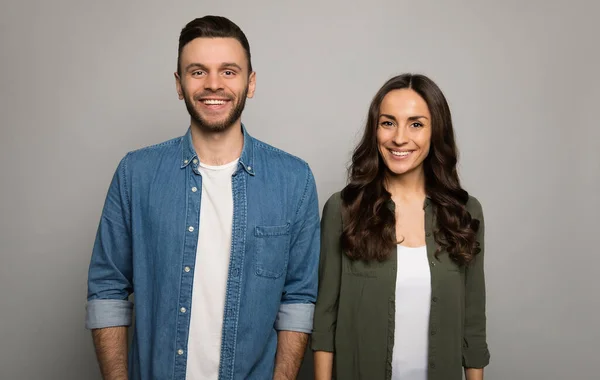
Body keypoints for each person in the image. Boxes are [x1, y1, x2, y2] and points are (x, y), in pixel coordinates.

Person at [86, 15, 320, 380]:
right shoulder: (136, 173)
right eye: (198, 72)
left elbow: (298, 301)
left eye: (229, 71)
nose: (214, 85)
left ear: (251, 82)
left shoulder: (294, 180)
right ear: (179, 85)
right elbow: (107, 292)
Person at [311, 73, 490, 380]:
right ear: (375, 129)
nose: (399, 138)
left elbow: (473, 327)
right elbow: (325, 320)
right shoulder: (343, 209)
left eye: (416, 124)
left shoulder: (465, 213)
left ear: (436, 132)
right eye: (388, 122)